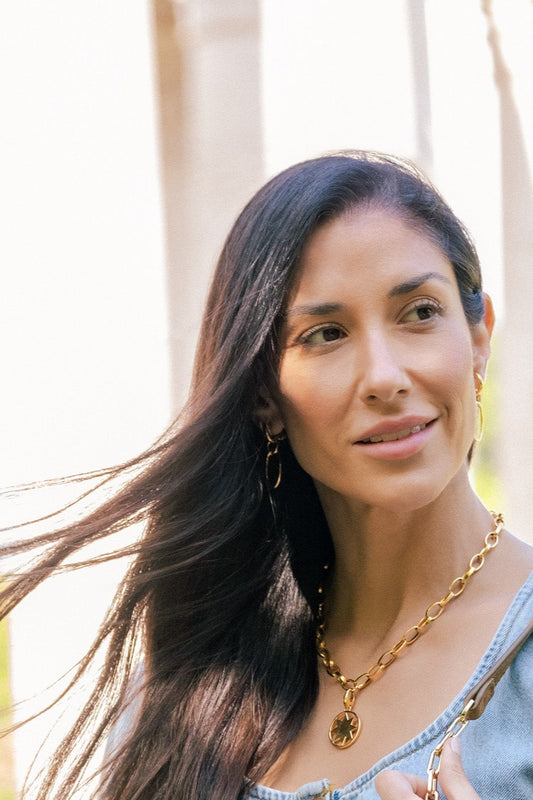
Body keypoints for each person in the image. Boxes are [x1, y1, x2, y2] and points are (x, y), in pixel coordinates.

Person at [2, 151, 533, 800]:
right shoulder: (181, 694)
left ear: (478, 336)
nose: (385, 376)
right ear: (263, 398)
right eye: (326, 333)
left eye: (419, 312)